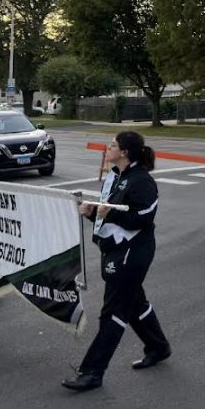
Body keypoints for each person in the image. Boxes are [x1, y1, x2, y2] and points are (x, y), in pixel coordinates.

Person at [63, 131, 171, 392]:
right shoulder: (114, 177)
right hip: (113, 249)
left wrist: (109, 214)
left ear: (124, 152)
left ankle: (92, 372)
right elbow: (108, 217)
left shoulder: (142, 181)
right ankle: (158, 347)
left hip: (133, 253)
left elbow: (142, 218)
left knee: (113, 312)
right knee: (135, 303)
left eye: (111, 145)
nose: (107, 149)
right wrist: (92, 214)